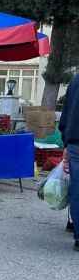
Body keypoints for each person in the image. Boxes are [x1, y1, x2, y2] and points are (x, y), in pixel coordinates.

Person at [59, 73, 79, 251]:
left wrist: (66, 142)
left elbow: (66, 114)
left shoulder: (75, 79)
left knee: (77, 190)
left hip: (75, 143)